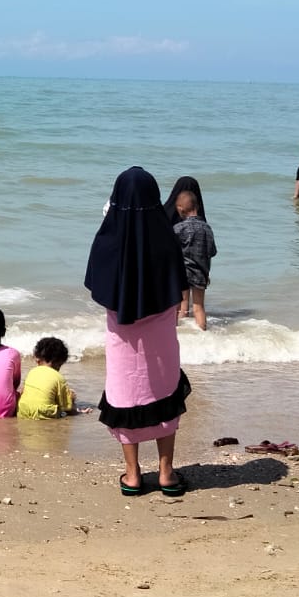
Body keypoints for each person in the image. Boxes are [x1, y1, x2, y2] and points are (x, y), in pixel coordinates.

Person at [87, 166, 190, 498]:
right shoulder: (166, 239)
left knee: (126, 395)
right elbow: (180, 287)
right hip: (161, 336)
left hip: (122, 337)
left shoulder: (107, 241)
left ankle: (132, 475)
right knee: (163, 393)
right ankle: (166, 473)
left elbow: (96, 284)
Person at [171, 191, 216, 331]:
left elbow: (171, 250)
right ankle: (203, 332)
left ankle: (178, 334)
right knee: (199, 307)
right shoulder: (207, 228)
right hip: (201, 273)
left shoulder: (179, 228)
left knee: (181, 306)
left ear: (180, 209)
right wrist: (206, 272)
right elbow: (211, 252)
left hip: (182, 273)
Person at [17, 337, 77, 419]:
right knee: (67, 402)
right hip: (45, 415)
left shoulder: (32, 372)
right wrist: (72, 401)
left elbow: (23, 392)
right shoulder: (59, 378)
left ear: (38, 359)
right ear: (59, 362)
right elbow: (68, 408)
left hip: (22, 411)